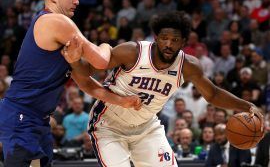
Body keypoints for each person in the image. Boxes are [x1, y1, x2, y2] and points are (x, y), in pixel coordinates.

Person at [64, 11, 263, 167]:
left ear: (183, 42)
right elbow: (87, 70)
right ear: (156, 37)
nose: (168, 44)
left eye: (175, 40)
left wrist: (247, 106)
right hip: (108, 126)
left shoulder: (188, 66)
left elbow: (213, 94)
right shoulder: (132, 52)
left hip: (146, 127)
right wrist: (73, 60)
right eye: (164, 38)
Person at [0, 0, 141, 167]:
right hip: (21, 115)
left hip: (37, 120)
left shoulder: (61, 38)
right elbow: (101, 61)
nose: (77, 1)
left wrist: (123, 101)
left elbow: (86, 83)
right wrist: (107, 45)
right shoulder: (55, 21)